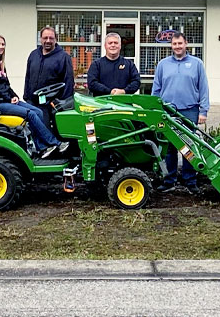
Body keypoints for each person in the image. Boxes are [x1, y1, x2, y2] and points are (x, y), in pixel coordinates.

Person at [0, 35, 68, 158]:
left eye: (3, 44)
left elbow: (6, 85)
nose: (1, 47)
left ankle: (42, 148)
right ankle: (55, 143)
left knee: (38, 111)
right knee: (30, 114)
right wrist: (8, 98)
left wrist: (14, 96)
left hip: (6, 100)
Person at [151, 31, 210, 194]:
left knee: (189, 147)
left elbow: (203, 89)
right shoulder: (163, 64)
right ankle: (169, 181)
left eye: (180, 43)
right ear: (171, 45)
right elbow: (156, 89)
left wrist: (203, 111)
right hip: (167, 111)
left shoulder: (196, 64)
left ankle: (190, 181)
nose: (177, 47)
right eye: (174, 44)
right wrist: (154, 109)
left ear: (186, 44)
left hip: (190, 110)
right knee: (169, 147)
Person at [23, 26, 74, 107]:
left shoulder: (63, 57)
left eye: (51, 38)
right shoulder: (33, 55)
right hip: (32, 102)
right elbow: (28, 77)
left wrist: (63, 103)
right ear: (40, 39)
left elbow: (68, 82)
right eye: (45, 38)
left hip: (52, 105)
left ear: (56, 39)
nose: (48, 41)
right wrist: (26, 97)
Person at [87, 32, 141, 96]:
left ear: (120, 46)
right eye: (110, 43)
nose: (113, 45)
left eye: (116, 43)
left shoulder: (129, 65)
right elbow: (92, 83)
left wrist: (124, 91)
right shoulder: (96, 64)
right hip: (101, 104)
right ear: (105, 46)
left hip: (123, 104)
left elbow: (136, 82)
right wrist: (109, 92)